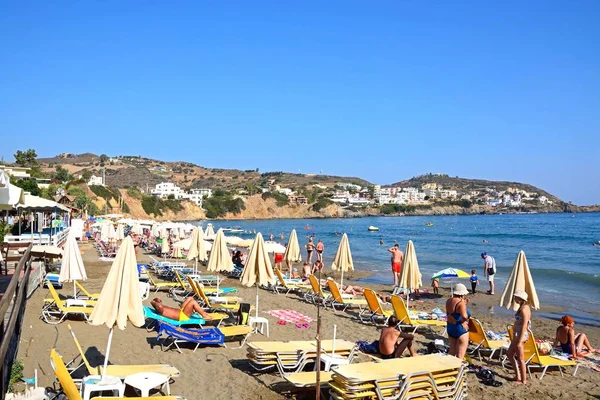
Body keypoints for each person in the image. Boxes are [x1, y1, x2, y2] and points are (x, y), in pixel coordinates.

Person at [507, 290, 531, 385]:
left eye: (516, 297)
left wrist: (520, 341)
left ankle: (523, 380)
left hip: (521, 335)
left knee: (520, 358)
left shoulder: (524, 309)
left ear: (520, 298)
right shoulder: (522, 307)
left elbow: (525, 325)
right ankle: (518, 376)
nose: (514, 298)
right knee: (509, 354)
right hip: (517, 334)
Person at [445, 283, 471, 360]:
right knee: (460, 356)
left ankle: (449, 370)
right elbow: (464, 316)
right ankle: (458, 371)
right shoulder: (461, 303)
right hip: (460, 329)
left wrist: (464, 304)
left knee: (451, 353)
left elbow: (453, 312)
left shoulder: (449, 301)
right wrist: (463, 322)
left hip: (450, 327)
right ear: (462, 294)